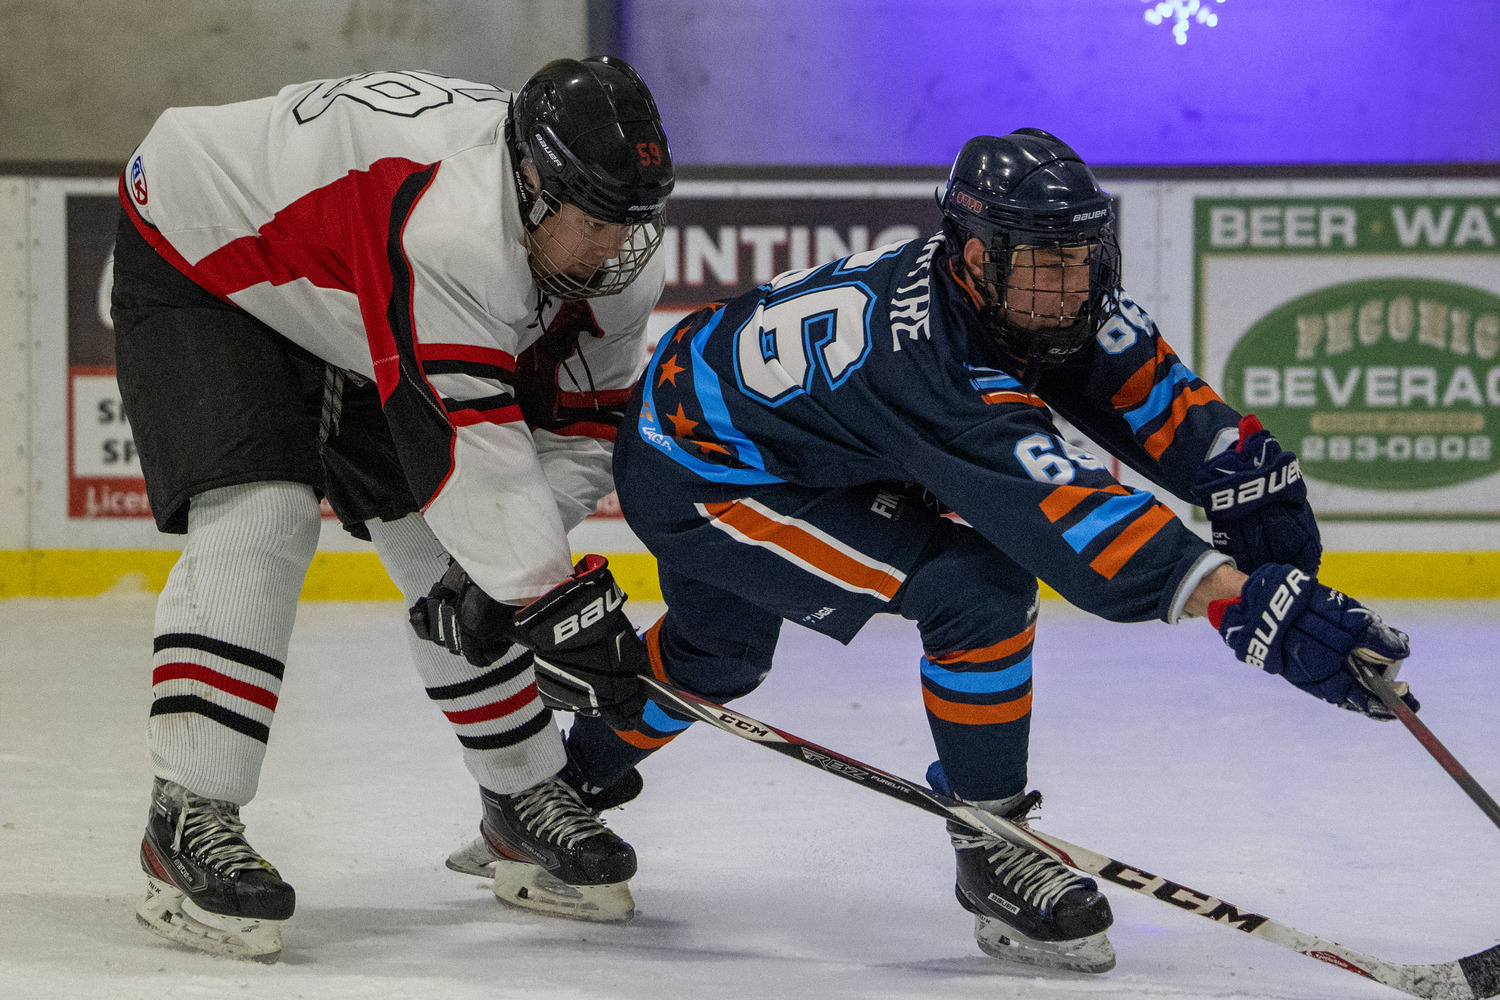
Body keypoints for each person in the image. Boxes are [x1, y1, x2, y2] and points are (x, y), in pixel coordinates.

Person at [415, 128, 1418, 973]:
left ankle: (550, 795)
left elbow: (1160, 400)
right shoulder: (929, 355)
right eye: (1040, 262)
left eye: (1079, 256)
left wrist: (1253, 481)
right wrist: (1244, 601)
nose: (1066, 284)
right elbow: (1066, 512)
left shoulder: (1045, 292)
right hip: (703, 467)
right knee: (979, 586)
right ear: (973, 255)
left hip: (780, 439)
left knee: (722, 654)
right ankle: (994, 843)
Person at [112, 57, 674, 961]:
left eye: (633, 221)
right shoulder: (452, 227)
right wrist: (543, 594)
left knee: (444, 554)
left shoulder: (608, 254)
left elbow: (580, 431)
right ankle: (187, 817)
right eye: (598, 221)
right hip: (204, 246)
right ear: (533, 184)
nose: (618, 248)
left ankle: (521, 796)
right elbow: (470, 444)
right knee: (263, 515)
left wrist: (518, 586)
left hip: (349, 267)